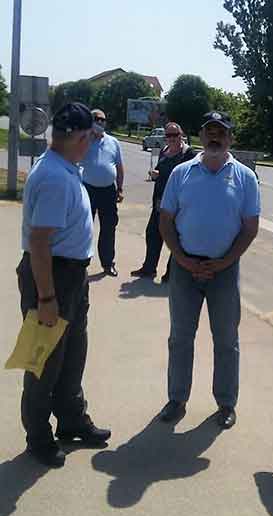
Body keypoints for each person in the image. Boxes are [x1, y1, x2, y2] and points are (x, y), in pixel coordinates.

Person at [16, 102, 111, 468]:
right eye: (92, 137)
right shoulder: (55, 177)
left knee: (72, 354)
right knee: (44, 360)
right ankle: (38, 436)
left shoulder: (63, 167)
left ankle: (71, 418)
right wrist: (46, 297)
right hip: (52, 276)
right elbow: (40, 242)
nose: (93, 143)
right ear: (82, 137)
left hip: (70, 275)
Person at [158, 111, 260, 429]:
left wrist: (224, 262)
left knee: (226, 340)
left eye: (221, 132)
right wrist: (181, 258)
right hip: (184, 267)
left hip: (224, 270)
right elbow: (165, 220)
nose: (215, 137)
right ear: (201, 136)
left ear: (230, 138)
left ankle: (226, 403)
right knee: (180, 338)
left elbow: (250, 227)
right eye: (210, 131)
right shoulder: (181, 173)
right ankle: (177, 399)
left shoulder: (245, 177)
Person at [130, 122, 196, 282]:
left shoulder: (188, 154)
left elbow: (188, 178)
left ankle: (171, 273)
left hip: (178, 205)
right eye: (168, 135)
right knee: (153, 234)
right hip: (160, 202)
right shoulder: (164, 151)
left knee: (175, 238)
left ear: (181, 135)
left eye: (175, 135)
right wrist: (155, 175)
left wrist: (162, 175)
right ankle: (149, 268)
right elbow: (161, 172)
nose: (171, 138)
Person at [80, 108, 124, 277]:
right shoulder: (83, 140)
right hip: (87, 189)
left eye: (102, 120)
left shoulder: (113, 142)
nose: (99, 123)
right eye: (96, 119)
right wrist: (88, 137)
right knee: (84, 227)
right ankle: (81, 263)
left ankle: (108, 263)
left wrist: (120, 188)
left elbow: (119, 166)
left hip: (108, 191)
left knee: (109, 228)